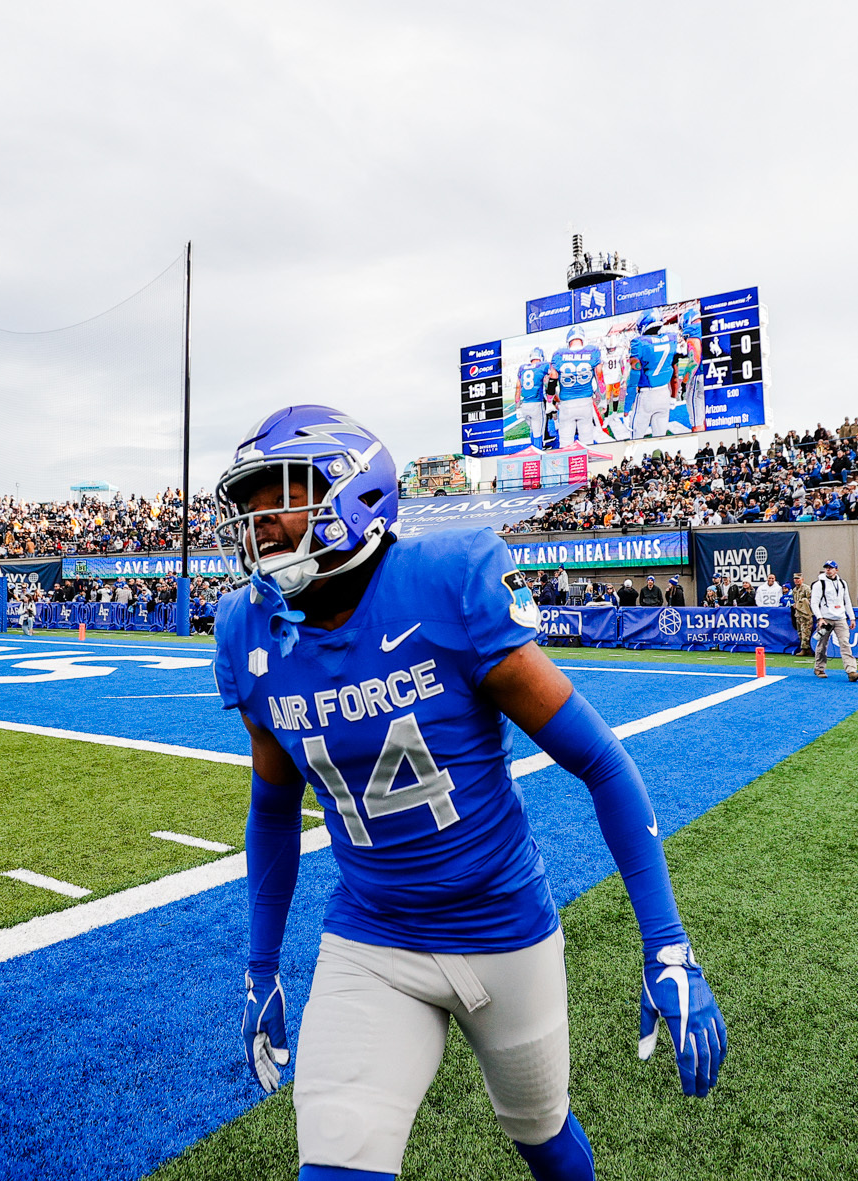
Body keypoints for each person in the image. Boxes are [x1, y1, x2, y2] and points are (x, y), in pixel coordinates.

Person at [211, 405, 725, 1180]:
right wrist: (260, 964)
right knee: (336, 1154)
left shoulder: (446, 580)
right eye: (247, 504)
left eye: (278, 493)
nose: (259, 521)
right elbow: (274, 809)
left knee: (541, 1133)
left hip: (501, 926)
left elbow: (602, 762)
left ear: (356, 495)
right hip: (372, 935)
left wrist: (668, 942)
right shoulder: (245, 630)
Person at [808, 560, 858, 682]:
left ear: (836, 570)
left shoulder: (843, 583)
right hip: (826, 619)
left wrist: (852, 617)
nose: (828, 569)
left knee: (845, 643)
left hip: (840, 618)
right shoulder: (819, 584)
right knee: (822, 644)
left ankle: (851, 671)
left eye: (831, 567)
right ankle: (819, 668)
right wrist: (819, 618)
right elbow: (814, 603)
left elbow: (847, 601)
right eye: (826, 568)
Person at [790, 572, 813, 655]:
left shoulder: (806, 588)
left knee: (806, 632)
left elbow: (810, 600)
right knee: (800, 632)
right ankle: (804, 648)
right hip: (798, 614)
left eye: (798, 579)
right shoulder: (794, 590)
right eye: (795, 579)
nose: (796, 581)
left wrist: (799, 604)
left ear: (802, 580)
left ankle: (806, 649)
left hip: (806, 614)